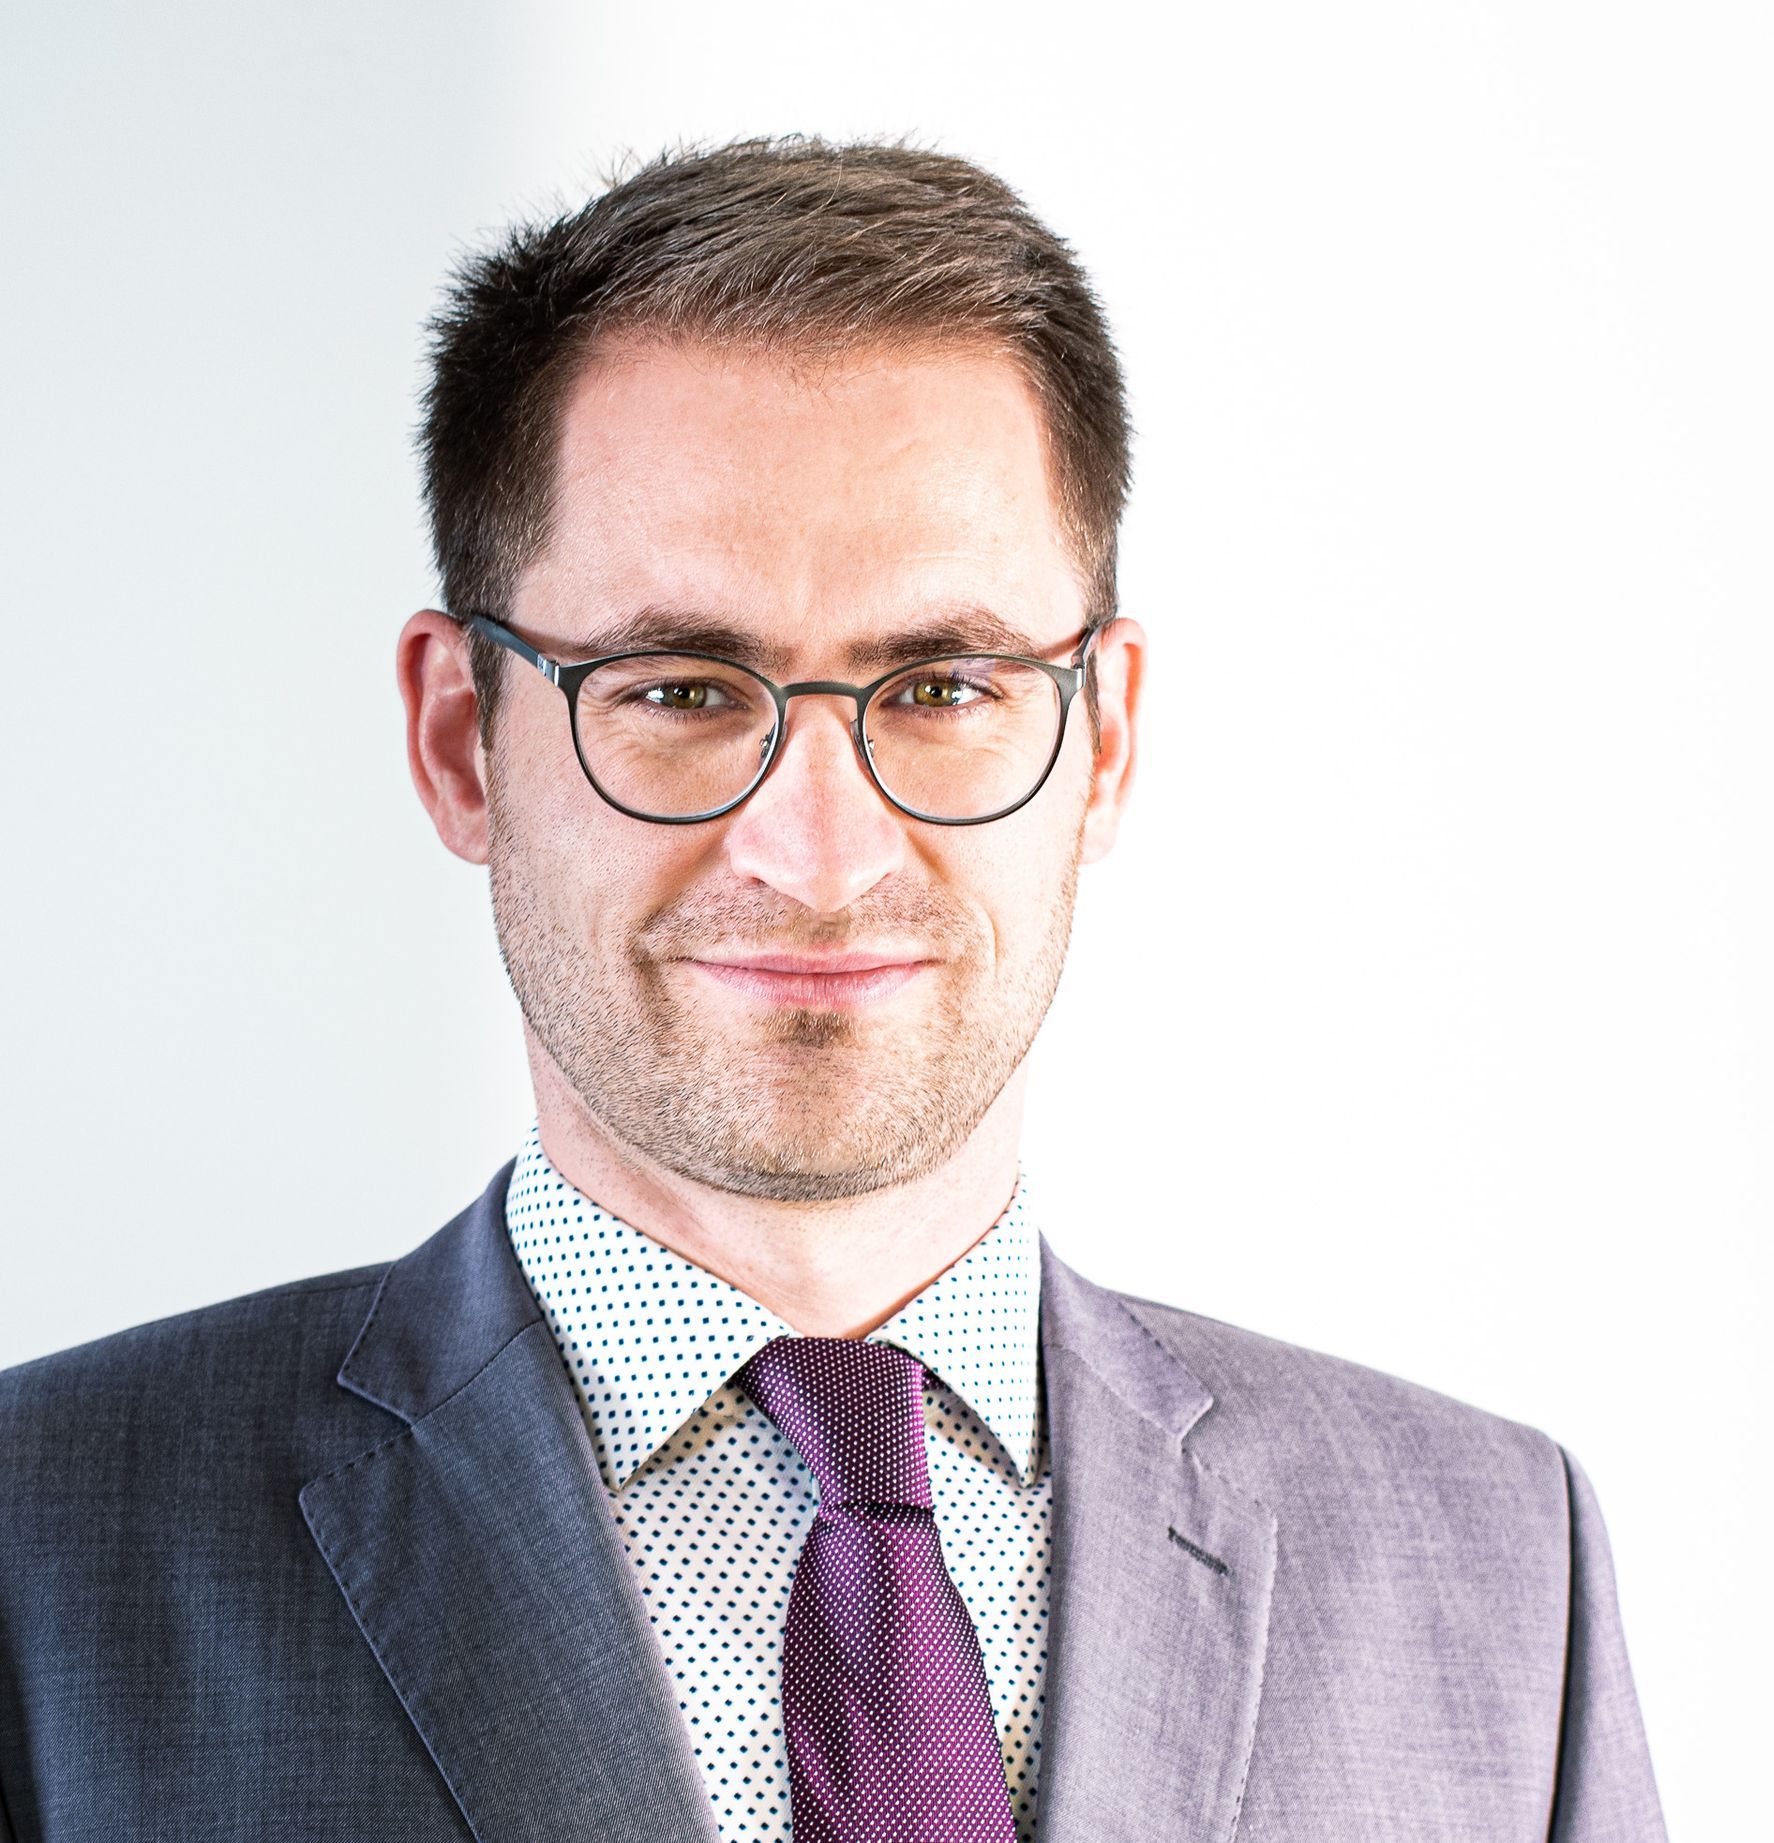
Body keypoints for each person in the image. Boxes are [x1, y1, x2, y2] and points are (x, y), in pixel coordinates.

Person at [0, 137, 1668, 1843]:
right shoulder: (32, 1554)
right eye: (678, 689)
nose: (816, 853)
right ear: (459, 741)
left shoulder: (1501, 1568)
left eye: (943, 686)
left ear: (1101, 741)